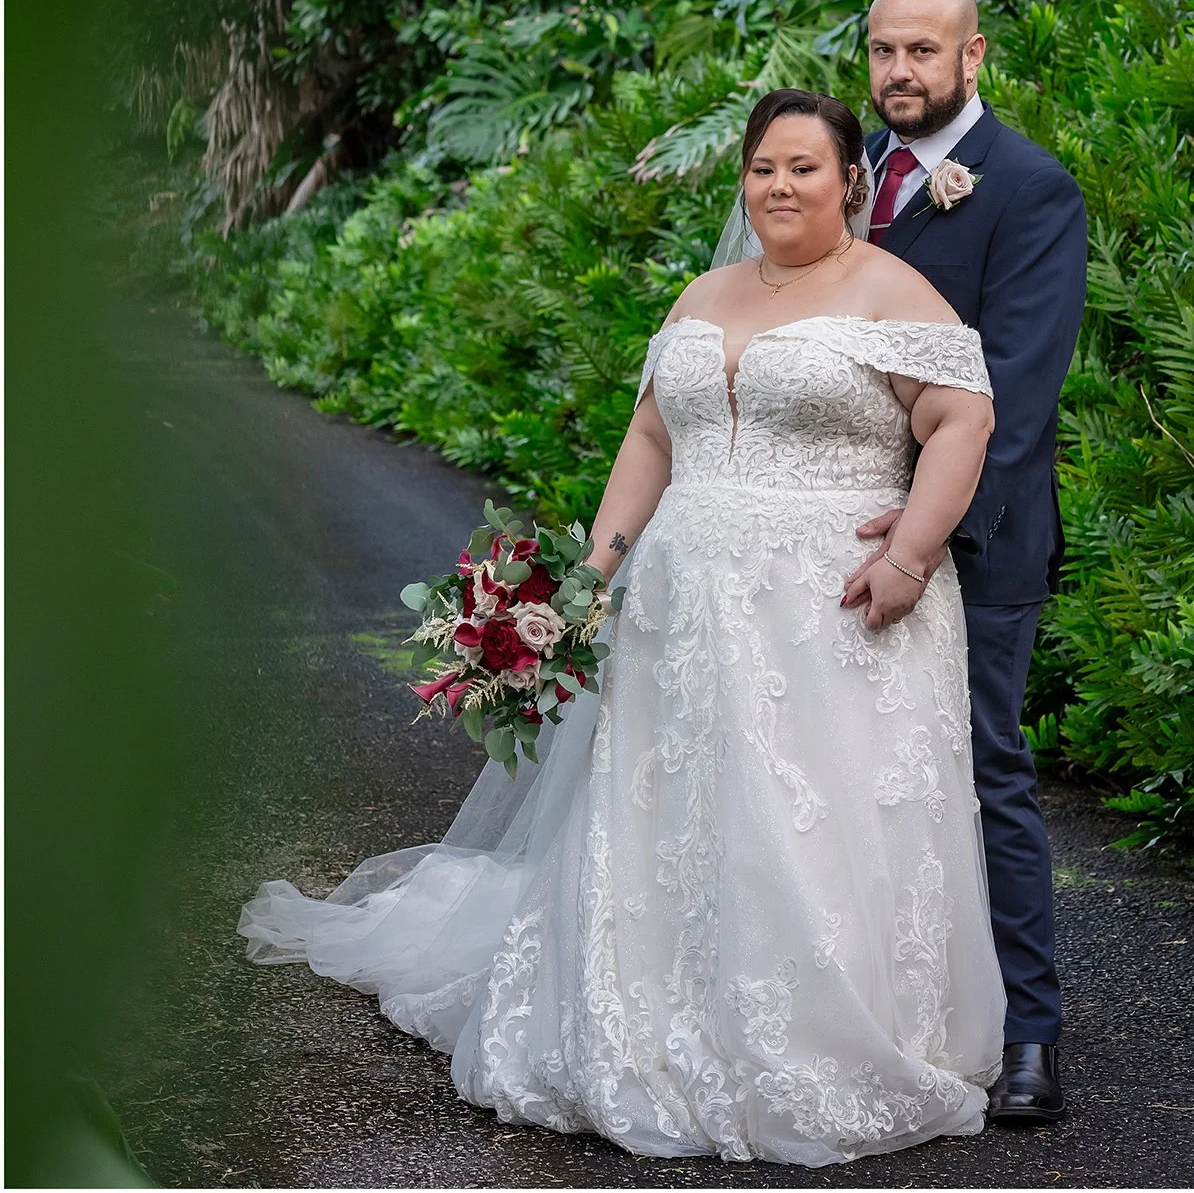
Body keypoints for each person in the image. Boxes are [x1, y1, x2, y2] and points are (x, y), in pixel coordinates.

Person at [241, 89, 1009, 1165]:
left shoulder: (892, 292)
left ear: (851, 181)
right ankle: (648, 1021)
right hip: (682, 597)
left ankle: (818, 1035)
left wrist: (910, 555)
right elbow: (651, 436)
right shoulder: (704, 293)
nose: (780, 187)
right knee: (678, 803)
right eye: (762, 169)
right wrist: (592, 574)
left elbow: (960, 420)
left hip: (828, 607)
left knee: (807, 814)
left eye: (803, 167)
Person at [845, 0, 1088, 1124]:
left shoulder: (1030, 189)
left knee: (987, 774)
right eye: (884, 51)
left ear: (972, 57)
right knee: (849, 777)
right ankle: (881, 1013)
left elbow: (1019, 395)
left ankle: (1029, 1033)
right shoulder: (843, 182)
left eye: (923, 53)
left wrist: (926, 534)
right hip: (832, 526)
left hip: (978, 540)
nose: (900, 72)